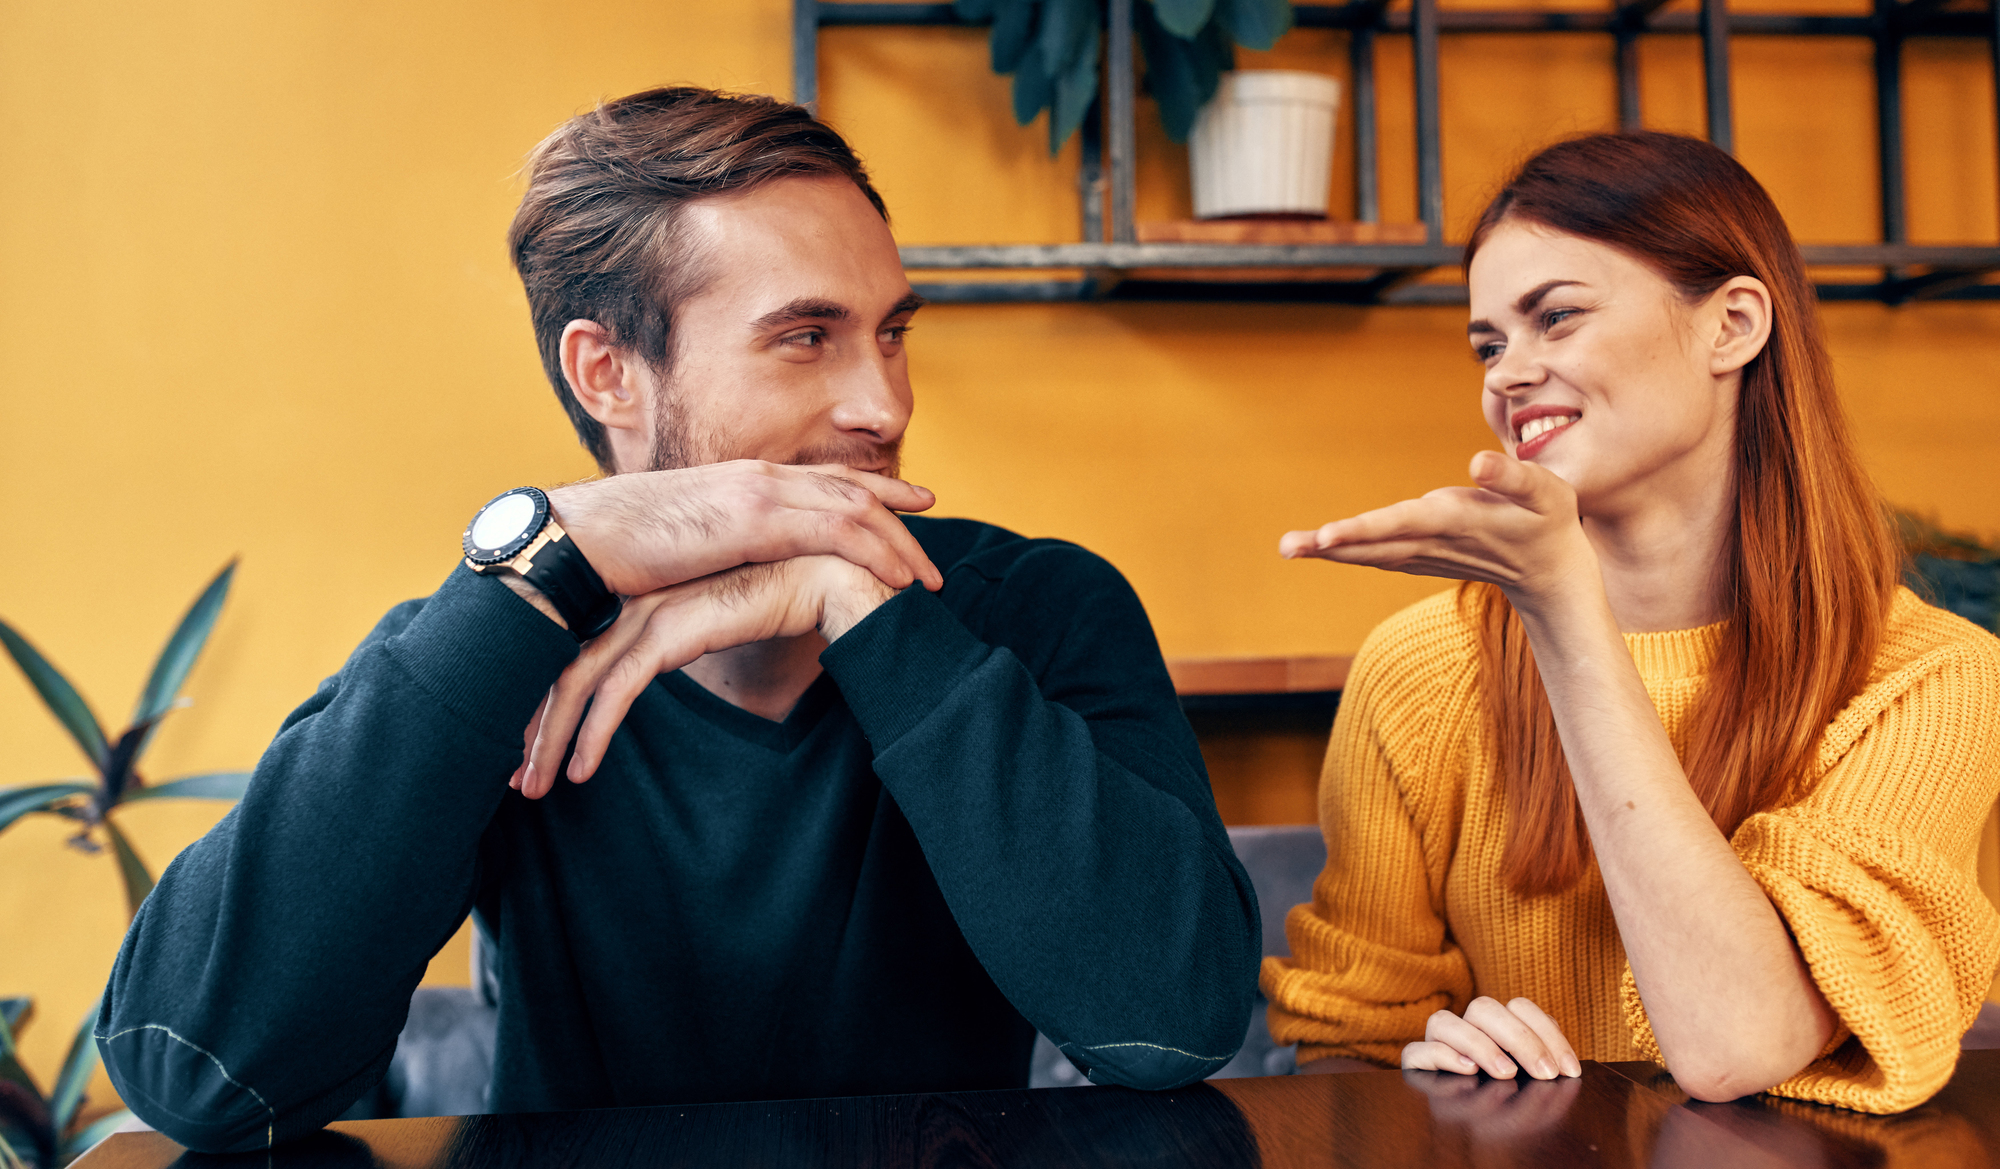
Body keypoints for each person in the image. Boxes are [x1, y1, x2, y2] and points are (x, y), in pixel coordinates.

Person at [96, 86, 1260, 1152]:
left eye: (892, 331)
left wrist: (862, 602)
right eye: (807, 336)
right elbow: (198, 1068)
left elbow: (1172, 1023)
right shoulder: (497, 646)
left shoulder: (1039, 608)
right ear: (608, 373)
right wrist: (529, 581)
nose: (884, 401)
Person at [1260, 130, 2000, 1115]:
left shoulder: (1928, 681)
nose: (1505, 374)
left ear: (1730, 326)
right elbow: (1341, 1048)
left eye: (1553, 317)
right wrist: (1428, 1069)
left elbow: (1737, 1043)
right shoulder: (1419, 669)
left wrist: (1562, 608)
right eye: (1487, 343)